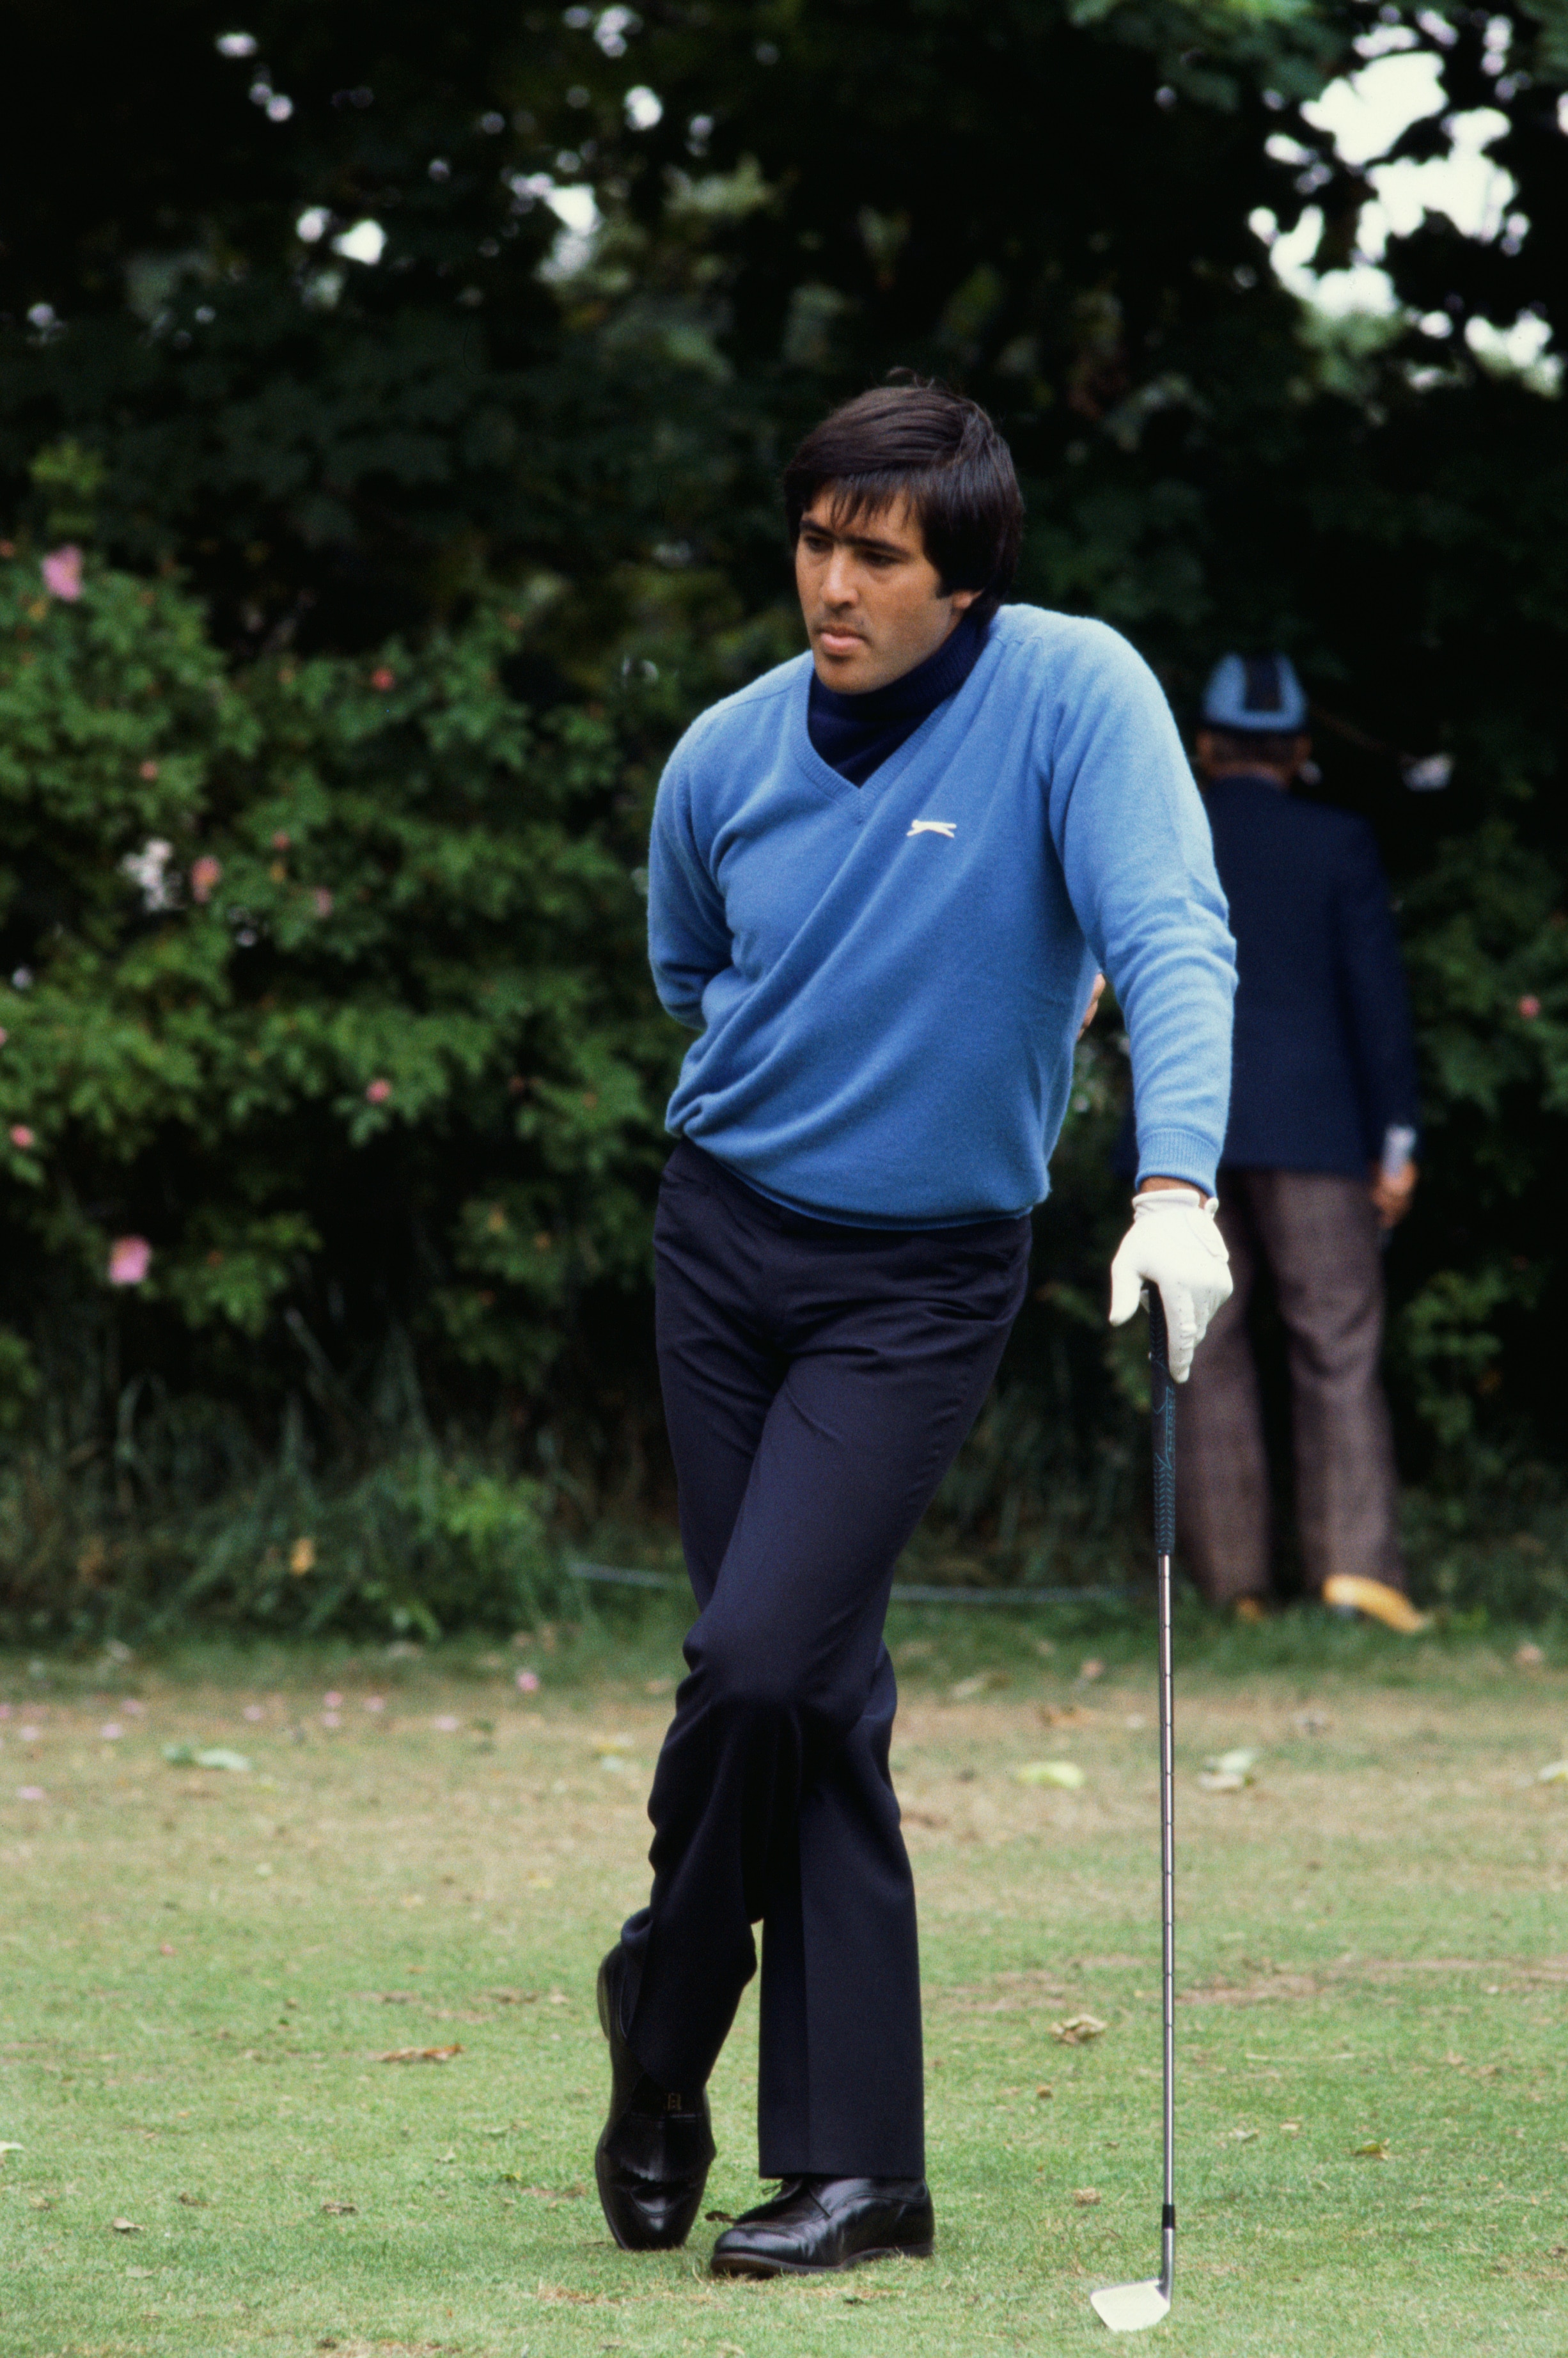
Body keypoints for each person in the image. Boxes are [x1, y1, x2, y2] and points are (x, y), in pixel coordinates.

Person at [594, 380, 1237, 2281]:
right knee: (802, 1696)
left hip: (922, 1277)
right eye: (814, 540)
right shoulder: (719, 753)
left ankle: (662, 2006)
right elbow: (689, 972)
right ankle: (861, 2170)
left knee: (770, 1670)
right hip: (720, 1246)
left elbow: (1171, 934)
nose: (831, 582)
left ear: (963, 582)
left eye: (875, 555)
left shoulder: (1070, 693)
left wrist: (1174, 1182)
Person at [1175, 652, 1422, 1629]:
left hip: (1181, 1136)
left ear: (1203, 745)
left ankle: (1231, 1587)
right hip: (1317, 1130)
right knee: (1337, 1345)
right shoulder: (1339, 841)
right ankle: (1355, 1573)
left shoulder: (1174, 837)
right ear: (1303, 752)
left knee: (1203, 1349)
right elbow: (1378, 1006)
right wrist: (1394, 1145)